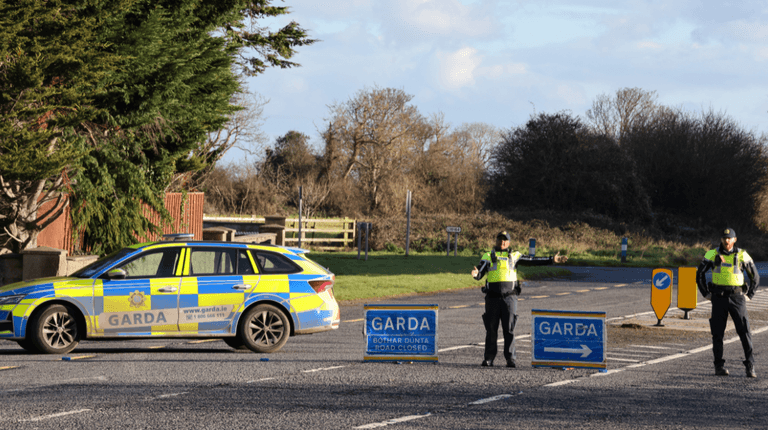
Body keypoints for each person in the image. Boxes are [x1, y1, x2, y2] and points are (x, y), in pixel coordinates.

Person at [471, 231, 567, 367]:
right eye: (500, 239)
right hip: (492, 298)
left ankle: (510, 359)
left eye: (505, 240)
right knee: (491, 329)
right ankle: (489, 358)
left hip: (510, 298)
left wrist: (552, 259)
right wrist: (475, 274)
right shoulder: (488, 255)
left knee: (509, 329)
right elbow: (480, 272)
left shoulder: (514, 255)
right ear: (496, 241)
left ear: (509, 242)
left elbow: (532, 261)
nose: (502, 242)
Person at [696, 227, 759, 378]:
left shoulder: (742, 254)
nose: (727, 241)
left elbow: (755, 277)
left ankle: (750, 366)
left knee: (745, 332)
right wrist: (706, 294)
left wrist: (749, 295)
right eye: (724, 238)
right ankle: (719, 366)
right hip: (718, 298)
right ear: (721, 239)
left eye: (730, 238)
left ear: (734, 240)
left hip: (737, 298)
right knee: (717, 334)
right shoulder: (712, 254)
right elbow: (699, 275)